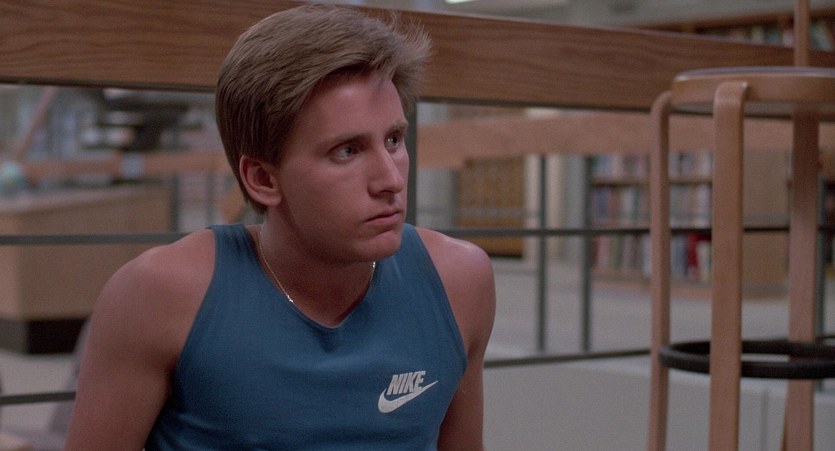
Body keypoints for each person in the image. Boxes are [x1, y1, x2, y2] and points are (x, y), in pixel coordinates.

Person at [64, 4, 496, 450]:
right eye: (347, 151)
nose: (391, 179)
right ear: (263, 179)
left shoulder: (459, 280)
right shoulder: (161, 294)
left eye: (393, 140)